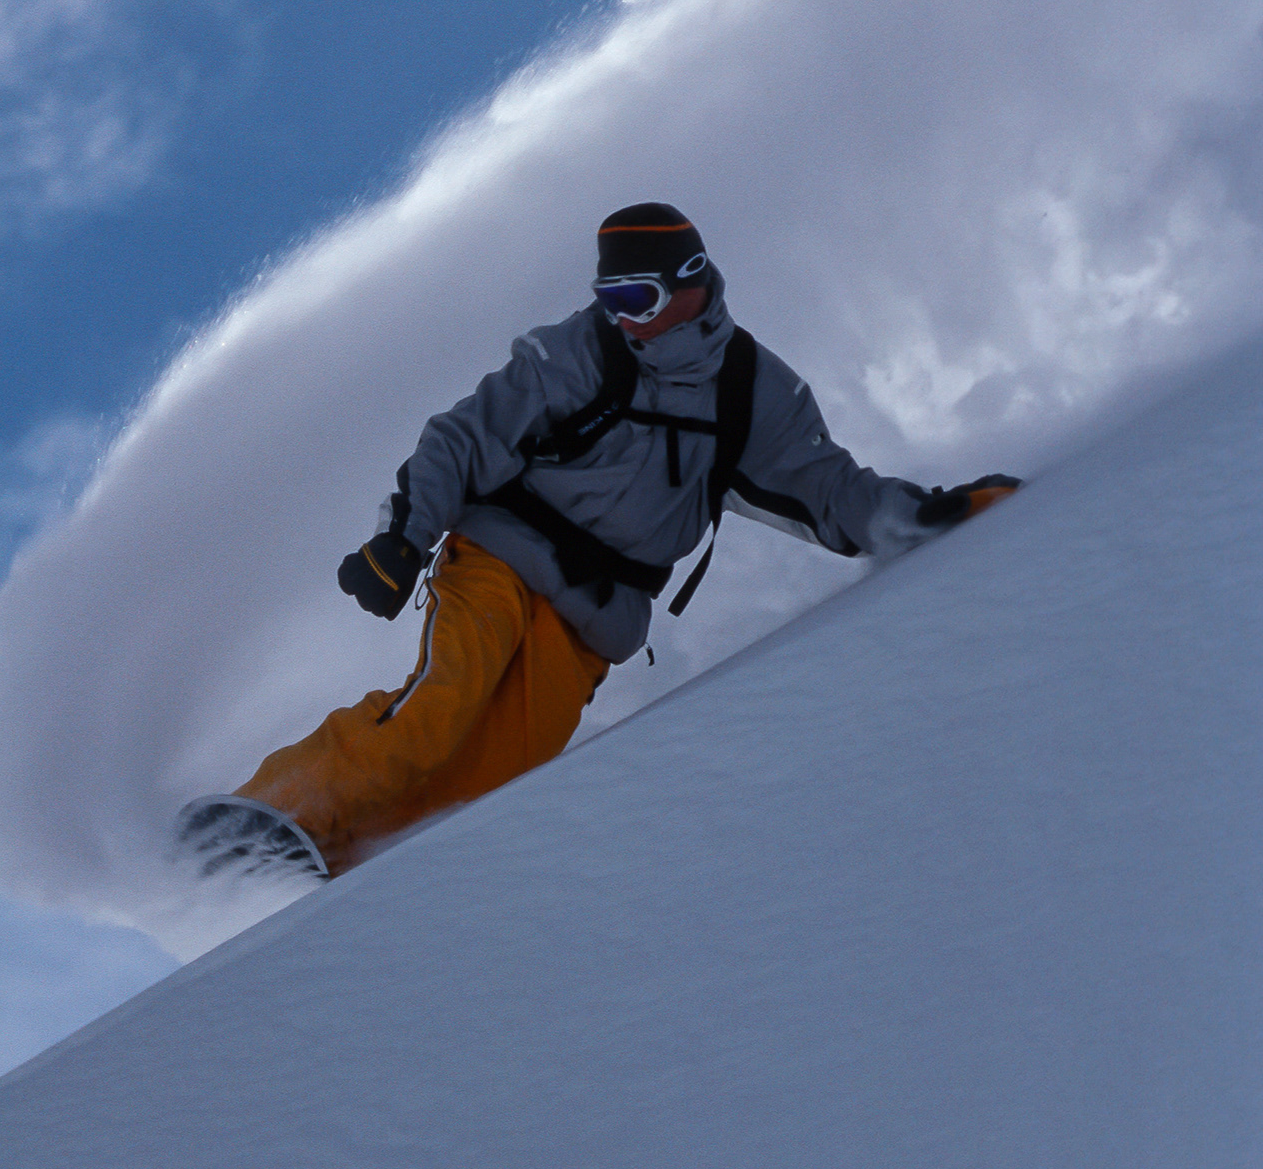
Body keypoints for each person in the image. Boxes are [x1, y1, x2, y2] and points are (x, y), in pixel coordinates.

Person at [205, 202, 1017, 879]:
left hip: (595, 614)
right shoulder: (580, 352)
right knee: (440, 706)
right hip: (499, 554)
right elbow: (462, 437)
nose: (621, 317)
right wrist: (402, 540)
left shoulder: (750, 394)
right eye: (610, 297)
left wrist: (922, 517)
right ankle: (270, 817)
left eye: (636, 296)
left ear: (690, 284)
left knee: (498, 776)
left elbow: (830, 492)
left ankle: (341, 867)